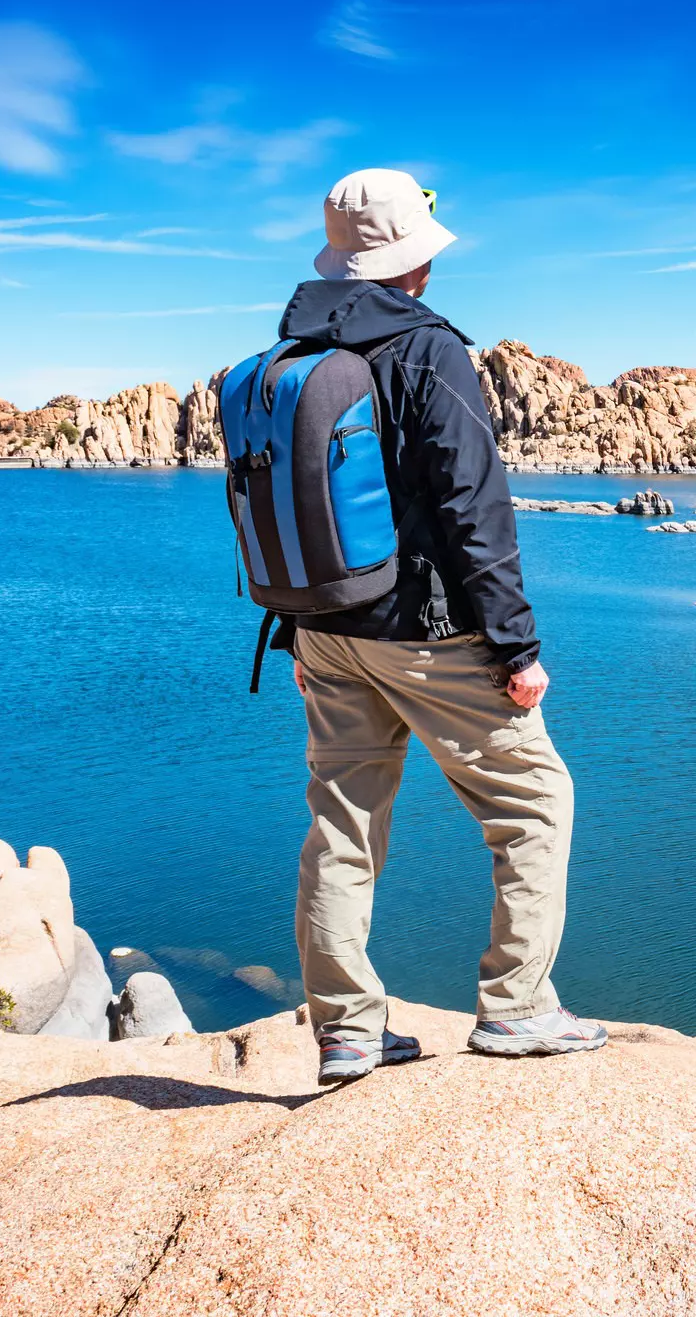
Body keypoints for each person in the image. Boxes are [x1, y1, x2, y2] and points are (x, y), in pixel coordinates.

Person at [273, 168, 605, 1084]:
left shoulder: (292, 351)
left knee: (341, 825)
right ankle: (517, 1008)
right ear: (414, 258)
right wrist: (517, 647)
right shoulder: (429, 351)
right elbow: (475, 509)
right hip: (429, 632)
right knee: (535, 805)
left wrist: (293, 633)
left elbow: (273, 505)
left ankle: (345, 1028)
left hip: (327, 629)